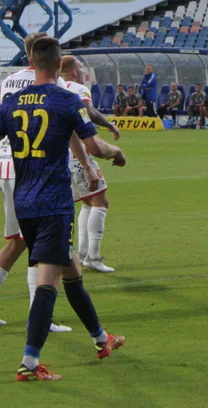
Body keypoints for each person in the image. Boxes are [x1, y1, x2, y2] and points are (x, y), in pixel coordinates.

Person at [0, 36, 126, 381]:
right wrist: (116, 153)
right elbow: (93, 146)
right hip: (54, 202)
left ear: (30, 61)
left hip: (24, 201)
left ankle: (102, 339)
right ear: (59, 65)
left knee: (71, 268)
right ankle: (29, 363)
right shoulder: (66, 99)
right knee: (49, 283)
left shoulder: (12, 101)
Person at [0, 33, 87, 330]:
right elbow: (67, 126)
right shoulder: (51, 83)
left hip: (5, 163)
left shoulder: (9, 83)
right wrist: (88, 163)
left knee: (20, 240)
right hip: (35, 170)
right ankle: (40, 316)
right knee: (41, 241)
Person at [61, 57, 122, 273]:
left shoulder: (55, 88)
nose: (81, 70)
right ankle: (94, 258)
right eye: (79, 67)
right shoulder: (77, 89)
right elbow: (89, 111)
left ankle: (83, 254)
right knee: (100, 201)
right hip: (79, 153)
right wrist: (109, 125)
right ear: (74, 72)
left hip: (61, 155)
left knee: (88, 202)